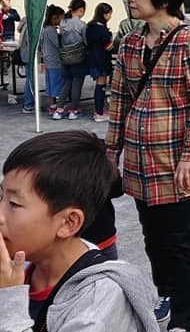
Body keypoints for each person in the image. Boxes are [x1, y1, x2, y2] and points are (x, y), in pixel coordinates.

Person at [106, 0, 190, 332]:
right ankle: (165, 297)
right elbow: (119, 99)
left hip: (180, 161)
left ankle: (183, 320)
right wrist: (111, 152)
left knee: (182, 240)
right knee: (153, 238)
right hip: (140, 161)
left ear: (164, 0)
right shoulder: (131, 43)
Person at [0, 130, 160, 332]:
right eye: (0, 197)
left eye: (14, 204)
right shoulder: (19, 267)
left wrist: (9, 303)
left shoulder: (97, 307)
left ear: (68, 223)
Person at [54, 0, 87, 121]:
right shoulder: (81, 24)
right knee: (77, 84)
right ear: (81, 10)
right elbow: (85, 41)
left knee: (67, 83)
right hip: (78, 57)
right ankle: (73, 110)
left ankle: (59, 109)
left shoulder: (63, 23)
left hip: (65, 57)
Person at [86, 3, 114, 123]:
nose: (110, 17)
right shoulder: (101, 30)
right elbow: (108, 47)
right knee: (101, 86)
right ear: (104, 14)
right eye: (109, 14)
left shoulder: (90, 27)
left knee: (99, 85)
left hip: (93, 59)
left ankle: (99, 110)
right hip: (101, 60)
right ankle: (99, 112)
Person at [39, 5, 66, 114]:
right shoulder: (51, 31)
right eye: (61, 19)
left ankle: (52, 105)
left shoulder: (44, 29)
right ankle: (58, 106)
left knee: (50, 84)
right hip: (55, 61)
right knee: (57, 84)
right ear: (55, 17)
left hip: (47, 60)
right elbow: (58, 45)